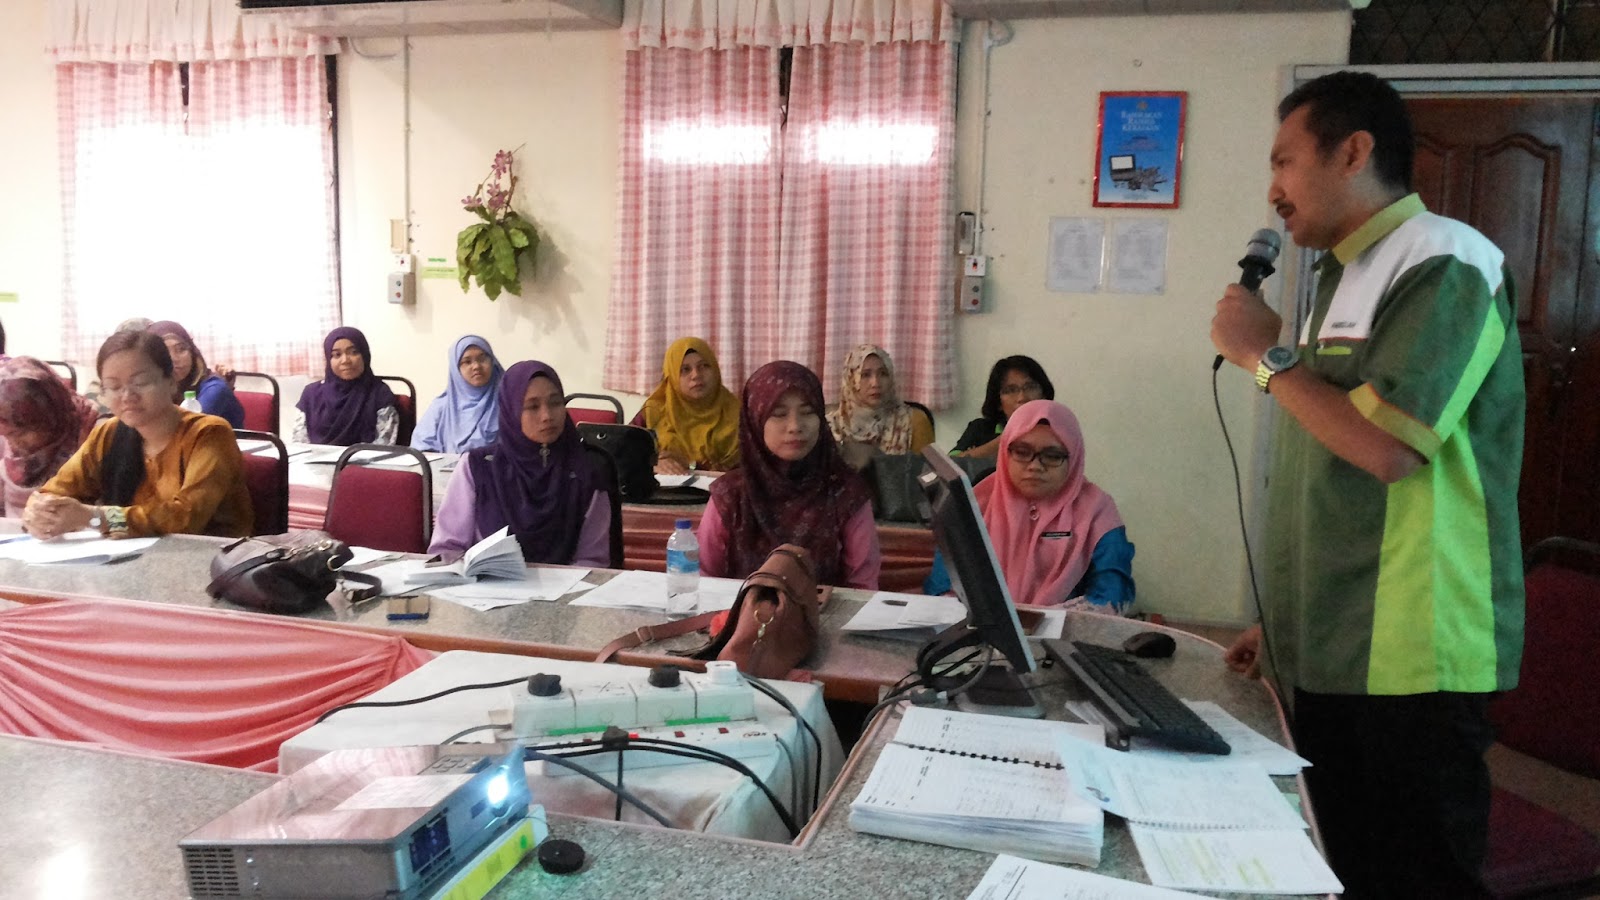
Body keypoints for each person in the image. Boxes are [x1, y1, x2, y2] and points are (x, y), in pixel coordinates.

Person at [1210, 71, 1524, 900]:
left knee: (1413, 878)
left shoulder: (1447, 259)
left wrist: (1263, 356)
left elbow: (1389, 448)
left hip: (1413, 653)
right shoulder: (1337, 277)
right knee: (1337, 865)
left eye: (1284, 161)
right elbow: (1331, 461)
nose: (1273, 190)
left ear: (1353, 152)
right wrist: (1286, 616)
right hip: (1336, 639)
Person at [24, 331, 252, 539]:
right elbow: (57, 490)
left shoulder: (209, 434)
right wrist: (40, 510)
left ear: (171, 382)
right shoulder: (108, 432)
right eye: (114, 387)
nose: (127, 396)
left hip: (210, 559)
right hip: (122, 557)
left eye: (140, 383)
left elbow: (185, 518)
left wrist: (94, 518)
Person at [925, 399, 1134, 612]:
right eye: (1022, 452)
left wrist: (1043, 622)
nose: (1035, 466)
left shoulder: (1097, 511)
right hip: (978, 626)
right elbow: (944, 585)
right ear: (1005, 452)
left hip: (1067, 628)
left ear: (1074, 458)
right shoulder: (976, 504)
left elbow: (1112, 594)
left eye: (1052, 456)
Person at [699, 360, 880, 589]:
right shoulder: (730, 495)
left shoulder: (845, 492)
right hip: (738, 610)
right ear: (755, 420)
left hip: (826, 612)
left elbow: (863, 586)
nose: (795, 426)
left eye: (807, 412)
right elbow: (702, 578)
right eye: (779, 414)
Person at [429, 361, 611, 566]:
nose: (547, 416)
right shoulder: (478, 467)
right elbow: (447, 549)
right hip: (484, 584)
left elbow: (593, 560)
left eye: (555, 403)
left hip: (568, 584)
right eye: (532, 406)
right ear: (511, 410)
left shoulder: (585, 472)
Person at [0, 357, 100, 517]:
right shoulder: (5, 434)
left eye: (22, 433)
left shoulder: (94, 435)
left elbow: (118, 518)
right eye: (7, 435)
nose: (14, 443)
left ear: (50, 416)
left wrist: (90, 518)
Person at [630, 336, 741, 474]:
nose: (696, 375)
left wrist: (692, 465)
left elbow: (749, 471)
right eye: (685, 369)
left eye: (704, 366)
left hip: (720, 487)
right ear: (672, 375)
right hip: (662, 487)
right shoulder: (654, 410)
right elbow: (622, 450)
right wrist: (652, 463)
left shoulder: (736, 412)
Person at [825, 343, 934, 467]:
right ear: (850, 380)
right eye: (865, 375)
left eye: (883, 374)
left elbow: (929, 474)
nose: (875, 383)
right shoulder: (829, 427)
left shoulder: (914, 422)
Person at [293, 327, 398, 446]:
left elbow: (385, 444)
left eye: (353, 352)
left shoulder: (380, 393)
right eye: (337, 355)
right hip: (314, 457)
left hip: (364, 457)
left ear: (364, 355)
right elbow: (299, 442)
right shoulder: (311, 394)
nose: (345, 360)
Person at [411, 335, 505, 453]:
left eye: (482, 359)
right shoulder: (442, 407)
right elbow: (420, 448)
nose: (476, 366)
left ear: (493, 362)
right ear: (456, 369)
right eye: (467, 362)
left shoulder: (508, 402)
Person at [952, 355, 1055, 458]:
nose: (1022, 397)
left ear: (1043, 394)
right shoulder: (980, 429)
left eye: (1030, 387)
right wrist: (1005, 440)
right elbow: (950, 463)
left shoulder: (1057, 428)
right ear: (998, 402)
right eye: (1011, 390)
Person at [147, 321, 245, 428]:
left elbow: (187, 431)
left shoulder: (215, 388)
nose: (174, 359)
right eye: (165, 353)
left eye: (181, 349)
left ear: (192, 352)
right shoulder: (159, 389)